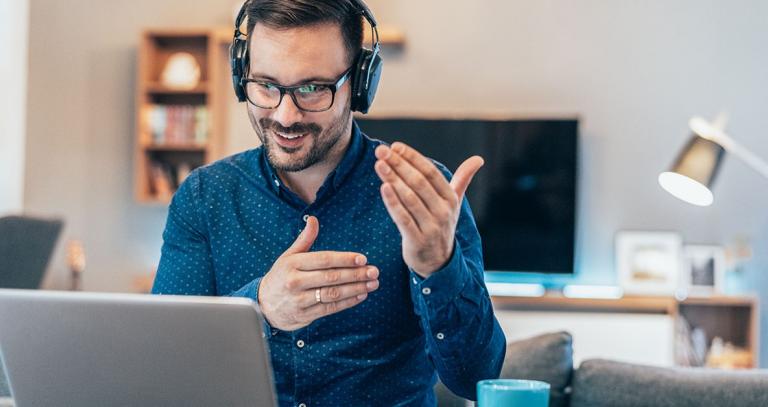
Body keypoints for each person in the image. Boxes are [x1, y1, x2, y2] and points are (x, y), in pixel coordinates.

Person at [152, 0, 506, 405]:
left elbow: (476, 378)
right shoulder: (204, 197)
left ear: (358, 83)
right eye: (266, 85)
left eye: (311, 88)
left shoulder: (424, 196)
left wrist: (438, 265)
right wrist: (258, 307)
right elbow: (165, 364)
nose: (285, 115)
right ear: (241, 77)